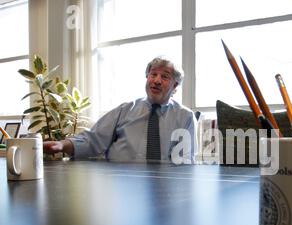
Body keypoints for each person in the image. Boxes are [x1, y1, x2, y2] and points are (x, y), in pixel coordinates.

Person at [43, 56, 197, 163]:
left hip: (164, 188)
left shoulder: (185, 117)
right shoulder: (125, 110)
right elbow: (93, 139)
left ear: (175, 86)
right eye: (153, 74)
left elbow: (184, 162)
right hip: (120, 185)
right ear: (147, 78)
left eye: (164, 76)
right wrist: (62, 145)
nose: (156, 80)